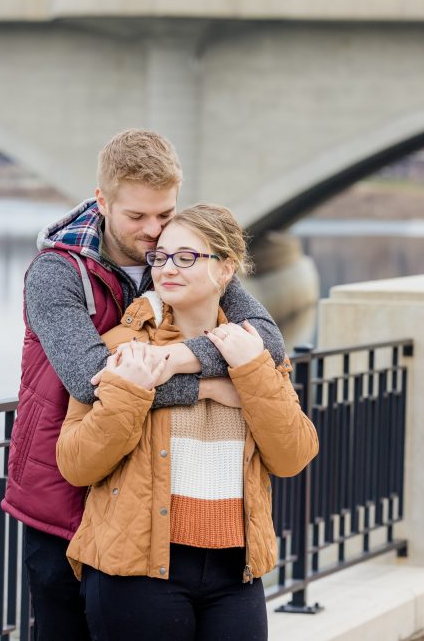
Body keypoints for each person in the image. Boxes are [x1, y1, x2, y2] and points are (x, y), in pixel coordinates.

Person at [0, 130, 288, 639]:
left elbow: (266, 340)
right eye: (137, 217)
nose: (154, 232)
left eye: (164, 213)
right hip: (63, 496)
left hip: (141, 503)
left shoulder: (180, 256)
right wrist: (211, 388)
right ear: (102, 201)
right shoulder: (56, 273)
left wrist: (178, 357)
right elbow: (92, 380)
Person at [56, 204, 319, 640]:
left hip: (236, 572)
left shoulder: (254, 349)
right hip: (136, 568)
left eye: (186, 257)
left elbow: (293, 455)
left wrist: (250, 373)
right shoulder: (125, 347)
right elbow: (76, 464)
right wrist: (133, 391)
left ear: (226, 269)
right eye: (160, 257)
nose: (166, 269)